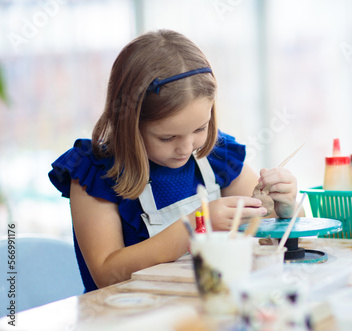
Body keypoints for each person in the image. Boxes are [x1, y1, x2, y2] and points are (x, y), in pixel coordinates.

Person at [49, 30, 299, 293]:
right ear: (129, 125)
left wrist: (285, 206)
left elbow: (274, 231)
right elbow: (107, 274)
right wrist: (196, 224)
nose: (186, 148)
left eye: (200, 129)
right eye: (168, 137)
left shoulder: (215, 157)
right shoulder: (96, 173)